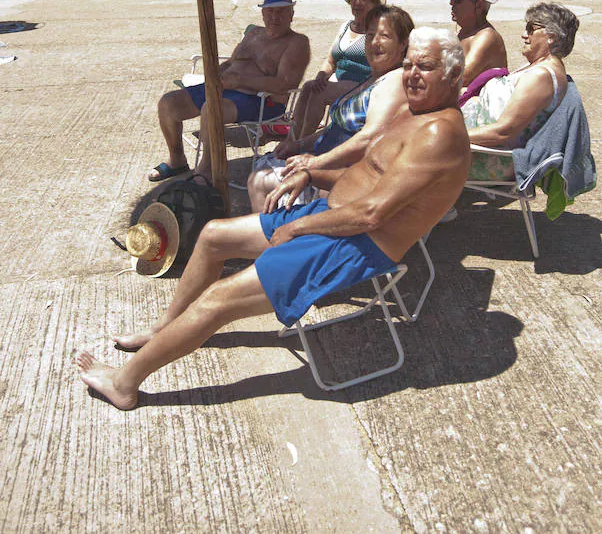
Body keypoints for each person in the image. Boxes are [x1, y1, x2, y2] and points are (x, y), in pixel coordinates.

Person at [77, 27, 470, 410]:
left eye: (426, 67)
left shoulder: (439, 134)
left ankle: (125, 383)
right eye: (410, 65)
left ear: (453, 75)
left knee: (217, 299)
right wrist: (311, 173)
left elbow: (372, 213)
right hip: (332, 218)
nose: (413, 74)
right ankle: (166, 327)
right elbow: (366, 177)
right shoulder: (414, 112)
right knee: (214, 235)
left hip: (355, 245)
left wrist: (296, 226)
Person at [248, 4, 414, 211]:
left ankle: (273, 237)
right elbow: (337, 128)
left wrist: (315, 164)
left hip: (340, 181)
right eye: (370, 35)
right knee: (263, 169)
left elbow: (369, 138)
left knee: (260, 180)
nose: (374, 43)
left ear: (403, 43)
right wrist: (300, 144)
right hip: (325, 165)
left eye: (385, 36)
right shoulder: (373, 78)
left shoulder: (394, 82)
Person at [148, 0, 310, 184]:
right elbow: (232, 62)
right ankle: (177, 160)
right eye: (270, 11)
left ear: (291, 14)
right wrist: (215, 74)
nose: (275, 17)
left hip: (260, 101)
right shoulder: (254, 34)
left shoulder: (297, 43)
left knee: (211, 109)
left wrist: (240, 81)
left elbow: (284, 84)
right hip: (224, 88)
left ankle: (207, 169)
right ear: (262, 13)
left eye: (282, 11)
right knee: (168, 103)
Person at [463, 2, 578, 180]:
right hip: (479, 144)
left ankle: (437, 206)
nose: (524, 34)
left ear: (552, 37)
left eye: (531, 28)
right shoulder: (538, 66)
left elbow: (502, 131)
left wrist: (450, 135)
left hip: (489, 157)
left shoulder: (541, 76)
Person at [286, 0, 385, 140]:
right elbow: (331, 60)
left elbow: (381, 68)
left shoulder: (376, 31)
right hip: (340, 82)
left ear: (374, 4)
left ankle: (301, 146)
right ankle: (291, 139)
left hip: (364, 85)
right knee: (309, 87)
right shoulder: (346, 26)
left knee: (319, 93)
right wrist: (321, 75)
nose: (358, 2)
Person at [448, 0, 507, 91]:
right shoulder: (467, 32)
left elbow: (461, 78)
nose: (451, 3)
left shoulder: (486, 37)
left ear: (479, 5)